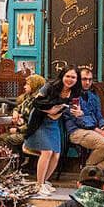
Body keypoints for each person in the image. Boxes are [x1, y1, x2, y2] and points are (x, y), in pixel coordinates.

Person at [24, 66, 82, 195]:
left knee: (56, 154)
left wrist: (77, 112)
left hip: (54, 122)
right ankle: (39, 184)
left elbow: (71, 109)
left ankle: (44, 181)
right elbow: (36, 102)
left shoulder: (74, 92)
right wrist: (50, 110)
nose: (70, 79)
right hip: (39, 120)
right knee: (47, 151)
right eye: (67, 76)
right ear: (62, 76)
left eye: (73, 77)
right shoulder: (50, 86)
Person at [64, 67, 104, 174]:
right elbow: (79, 120)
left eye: (90, 79)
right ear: (77, 80)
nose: (88, 82)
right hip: (77, 130)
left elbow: (98, 115)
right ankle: (87, 171)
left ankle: (96, 170)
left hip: (95, 129)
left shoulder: (93, 96)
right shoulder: (71, 96)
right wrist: (99, 131)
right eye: (84, 79)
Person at [0, 73, 46, 154]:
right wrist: (15, 112)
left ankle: (18, 159)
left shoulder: (37, 101)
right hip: (24, 128)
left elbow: (33, 124)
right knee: (2, 136)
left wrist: (18, 130)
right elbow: (18, 107)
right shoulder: (28, 97)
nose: (24, 86)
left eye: (27, 84)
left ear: (35, 85)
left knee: (8, 138)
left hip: (32, 133)